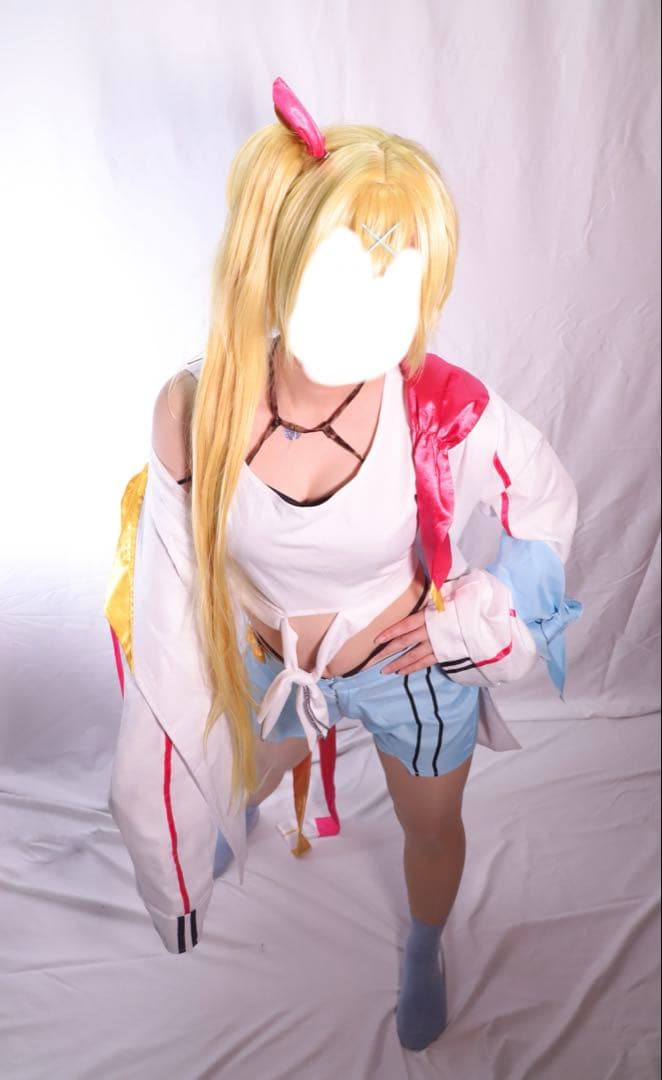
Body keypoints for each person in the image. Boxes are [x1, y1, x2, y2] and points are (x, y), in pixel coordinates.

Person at [105, 79, 581, 1053]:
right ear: (280, 264)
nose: (374, 318)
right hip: (272, 671)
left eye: (399, 287)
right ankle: (229, 825)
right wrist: (170, 808)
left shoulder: (439, 406)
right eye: (344, 278)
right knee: (227, 783)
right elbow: (167, 600)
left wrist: (471, 618)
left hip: (408, 673)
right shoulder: (198, 407)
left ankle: (423, 943)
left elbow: (547, 506)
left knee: (430, 828)